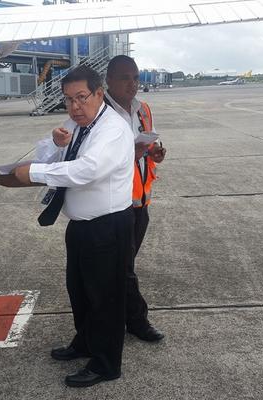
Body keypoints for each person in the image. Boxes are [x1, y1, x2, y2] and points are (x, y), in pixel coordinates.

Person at [13, 65, 134, 387]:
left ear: (99, 94)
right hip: (81, 226)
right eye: (68, 99)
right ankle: (86, 342)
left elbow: (86, 170)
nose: (74, 106)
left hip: (107, 226)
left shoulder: (112, 129)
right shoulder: (77, 123)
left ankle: (106, 363)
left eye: (81, 97)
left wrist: (34, 173)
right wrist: (55, 144)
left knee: (105, 298)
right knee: (80, 291)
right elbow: (51, 155)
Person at [104, 55, 166, 342]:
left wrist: (154, 153)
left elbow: (147, 144)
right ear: (108, 80)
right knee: (124, 267)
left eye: (136, 78)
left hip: (140, 202)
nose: (133, 84)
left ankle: (117, 319)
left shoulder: (143, 109)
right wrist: (131, 154)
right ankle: (136, 320)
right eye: (125, 78)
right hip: (114, 205)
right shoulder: (100, 112)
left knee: (123, 267)